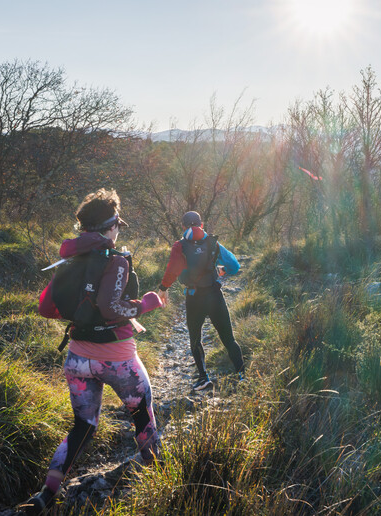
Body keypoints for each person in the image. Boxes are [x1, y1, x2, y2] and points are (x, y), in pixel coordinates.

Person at [20, 189, 164, 515]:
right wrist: (146, 305)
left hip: (77, 360)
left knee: (83, 425)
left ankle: (46, 494)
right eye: (118, 226)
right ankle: (166, 482)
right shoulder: (114, 260)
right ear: (110, 227)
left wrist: (82, 317)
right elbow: (111, 305)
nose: (119, 232)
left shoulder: (69, 260)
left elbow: (45, 307)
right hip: (118, 361)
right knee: (142, 415)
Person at [157, 211, 244, 390]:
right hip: (214, 296)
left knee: (195, 339)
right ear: (201, 225)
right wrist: (221, 271)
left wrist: (163, 289)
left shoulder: (179, 245)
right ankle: (242, 375)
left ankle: (204, 378)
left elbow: (172, 270)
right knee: (228, 339)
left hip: (193, 298)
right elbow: (234, 266)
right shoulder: (213, 243)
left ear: (183, 227)